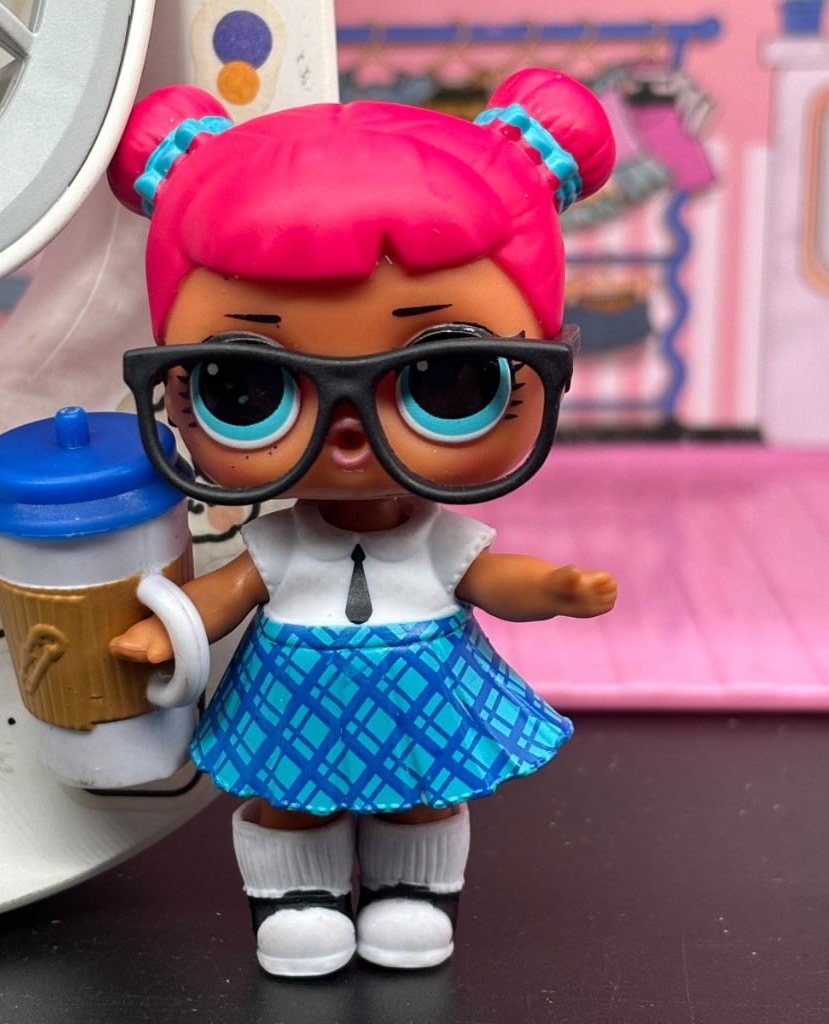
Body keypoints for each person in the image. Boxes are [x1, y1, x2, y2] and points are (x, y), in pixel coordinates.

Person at [108, 68, 618, 978]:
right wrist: (169, 629)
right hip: (294, 698)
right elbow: (230, 590)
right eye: (244, 388)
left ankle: (413, 893)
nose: (347, 431)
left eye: (448, 382)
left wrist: (556, 588)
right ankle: (295, 900)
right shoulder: (283, 542)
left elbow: (487, 576)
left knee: (421, 793)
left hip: (420, 693)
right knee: (288, 797)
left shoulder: (431, 538)